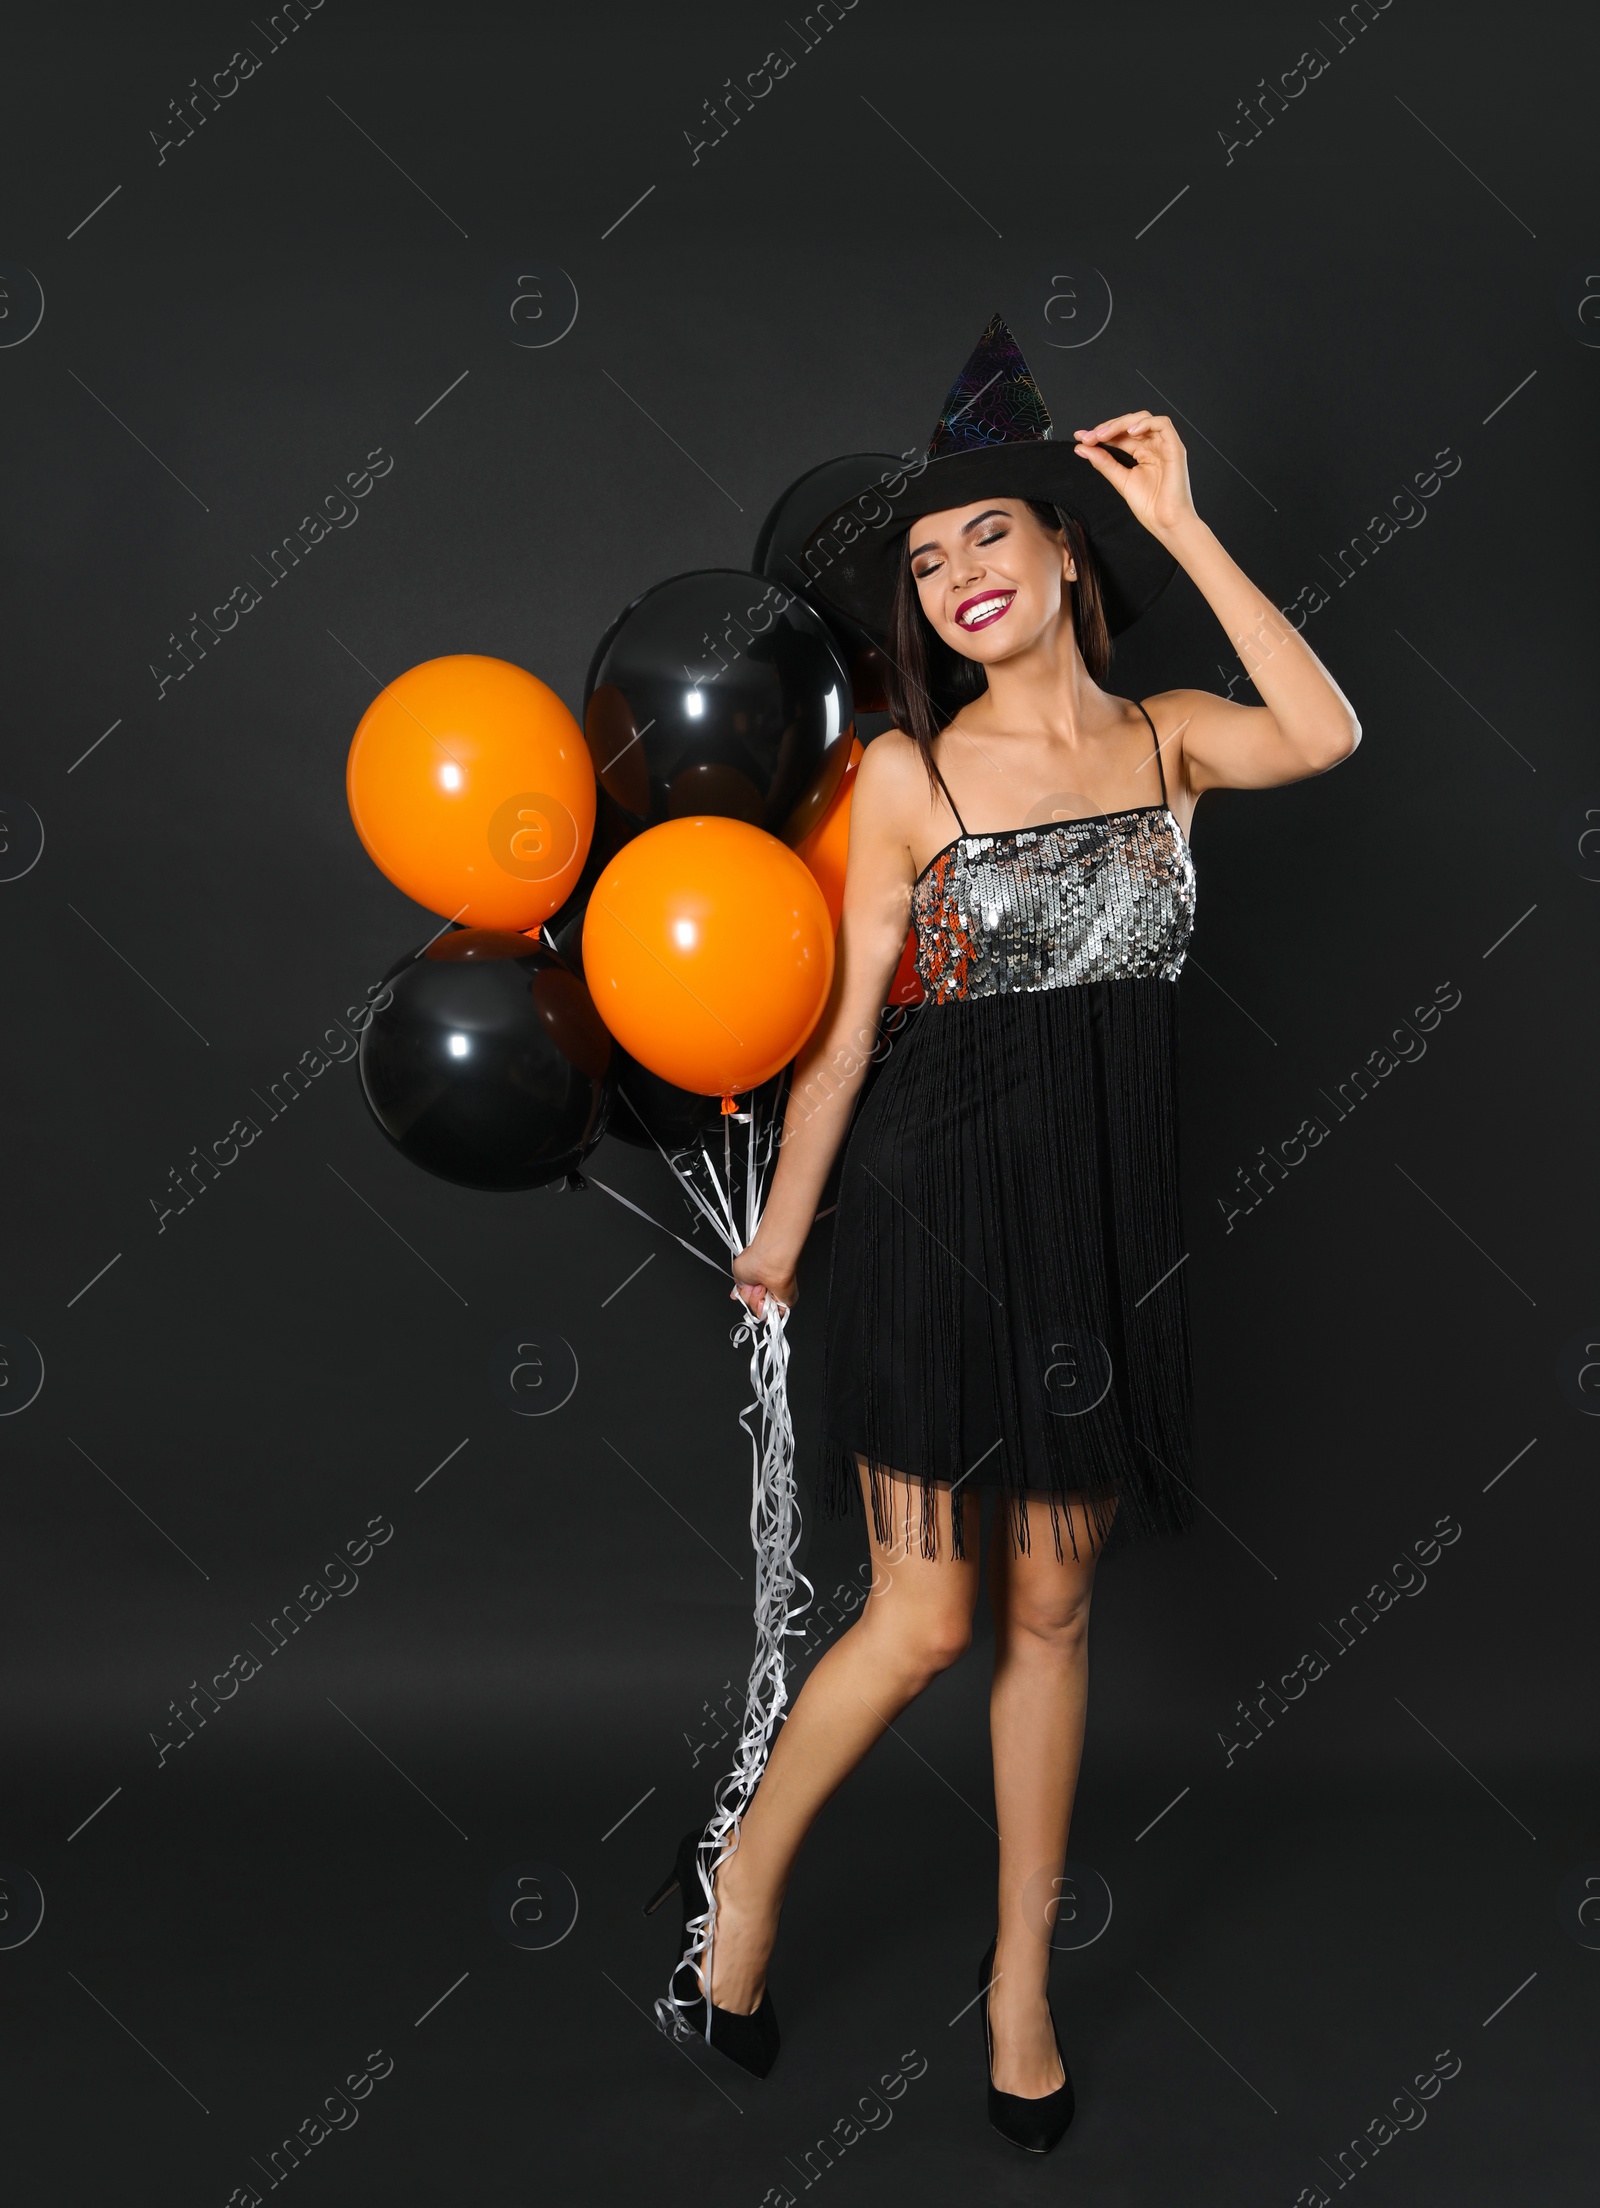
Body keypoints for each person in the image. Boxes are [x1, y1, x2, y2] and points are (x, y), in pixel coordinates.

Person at [650, 317, 1359, 2152]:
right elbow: (838, 1051)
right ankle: (740, 1900)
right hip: (922, 1219)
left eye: (992, 537)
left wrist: (1187, 520)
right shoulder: (907, 780)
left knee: (1055, 1602)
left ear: (1063, 552)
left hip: (1101, 1227)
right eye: (927, 558)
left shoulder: (1173, 743)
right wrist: (780, 1241)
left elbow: (1331, 729)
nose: (959, 574)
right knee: (922, 1619)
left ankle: (1022, 1985)